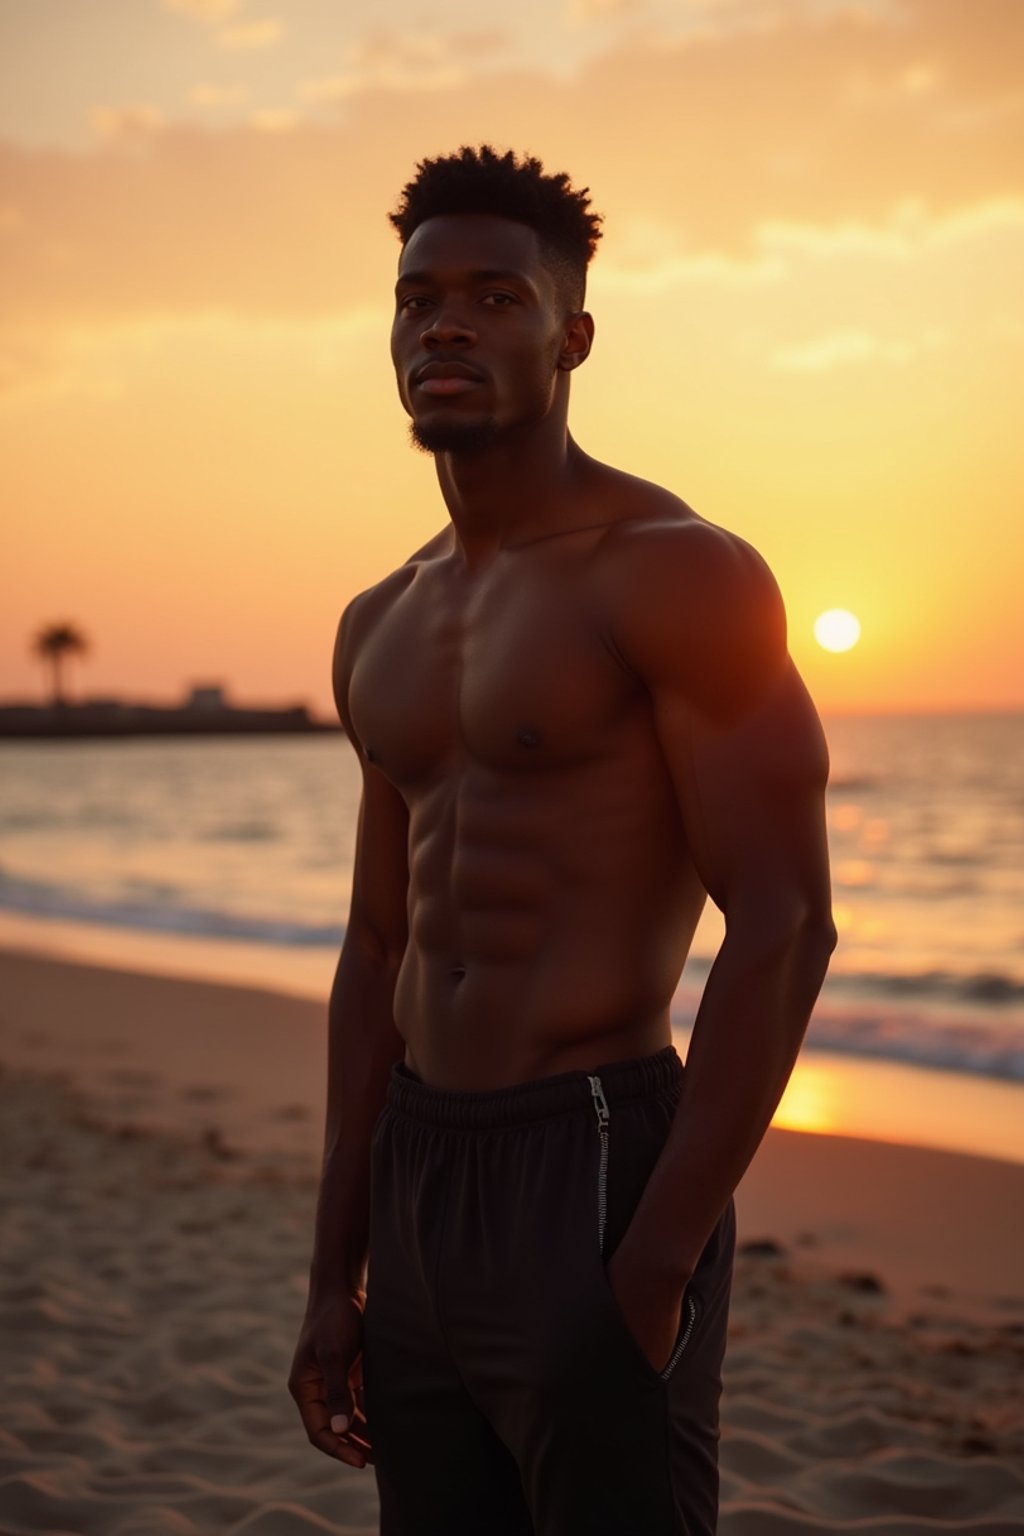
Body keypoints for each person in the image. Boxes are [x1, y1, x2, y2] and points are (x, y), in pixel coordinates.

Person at [288, 145, 836, 1536]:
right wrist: (329, 1271)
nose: (445, 326)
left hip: (592, 1159)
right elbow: (375, 947)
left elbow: (784, 923)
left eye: (495, 297)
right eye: (417, 301)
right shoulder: (379, 622)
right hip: (418, 1171)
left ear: (573, 333)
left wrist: (654, 1261)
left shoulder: (679, 573)